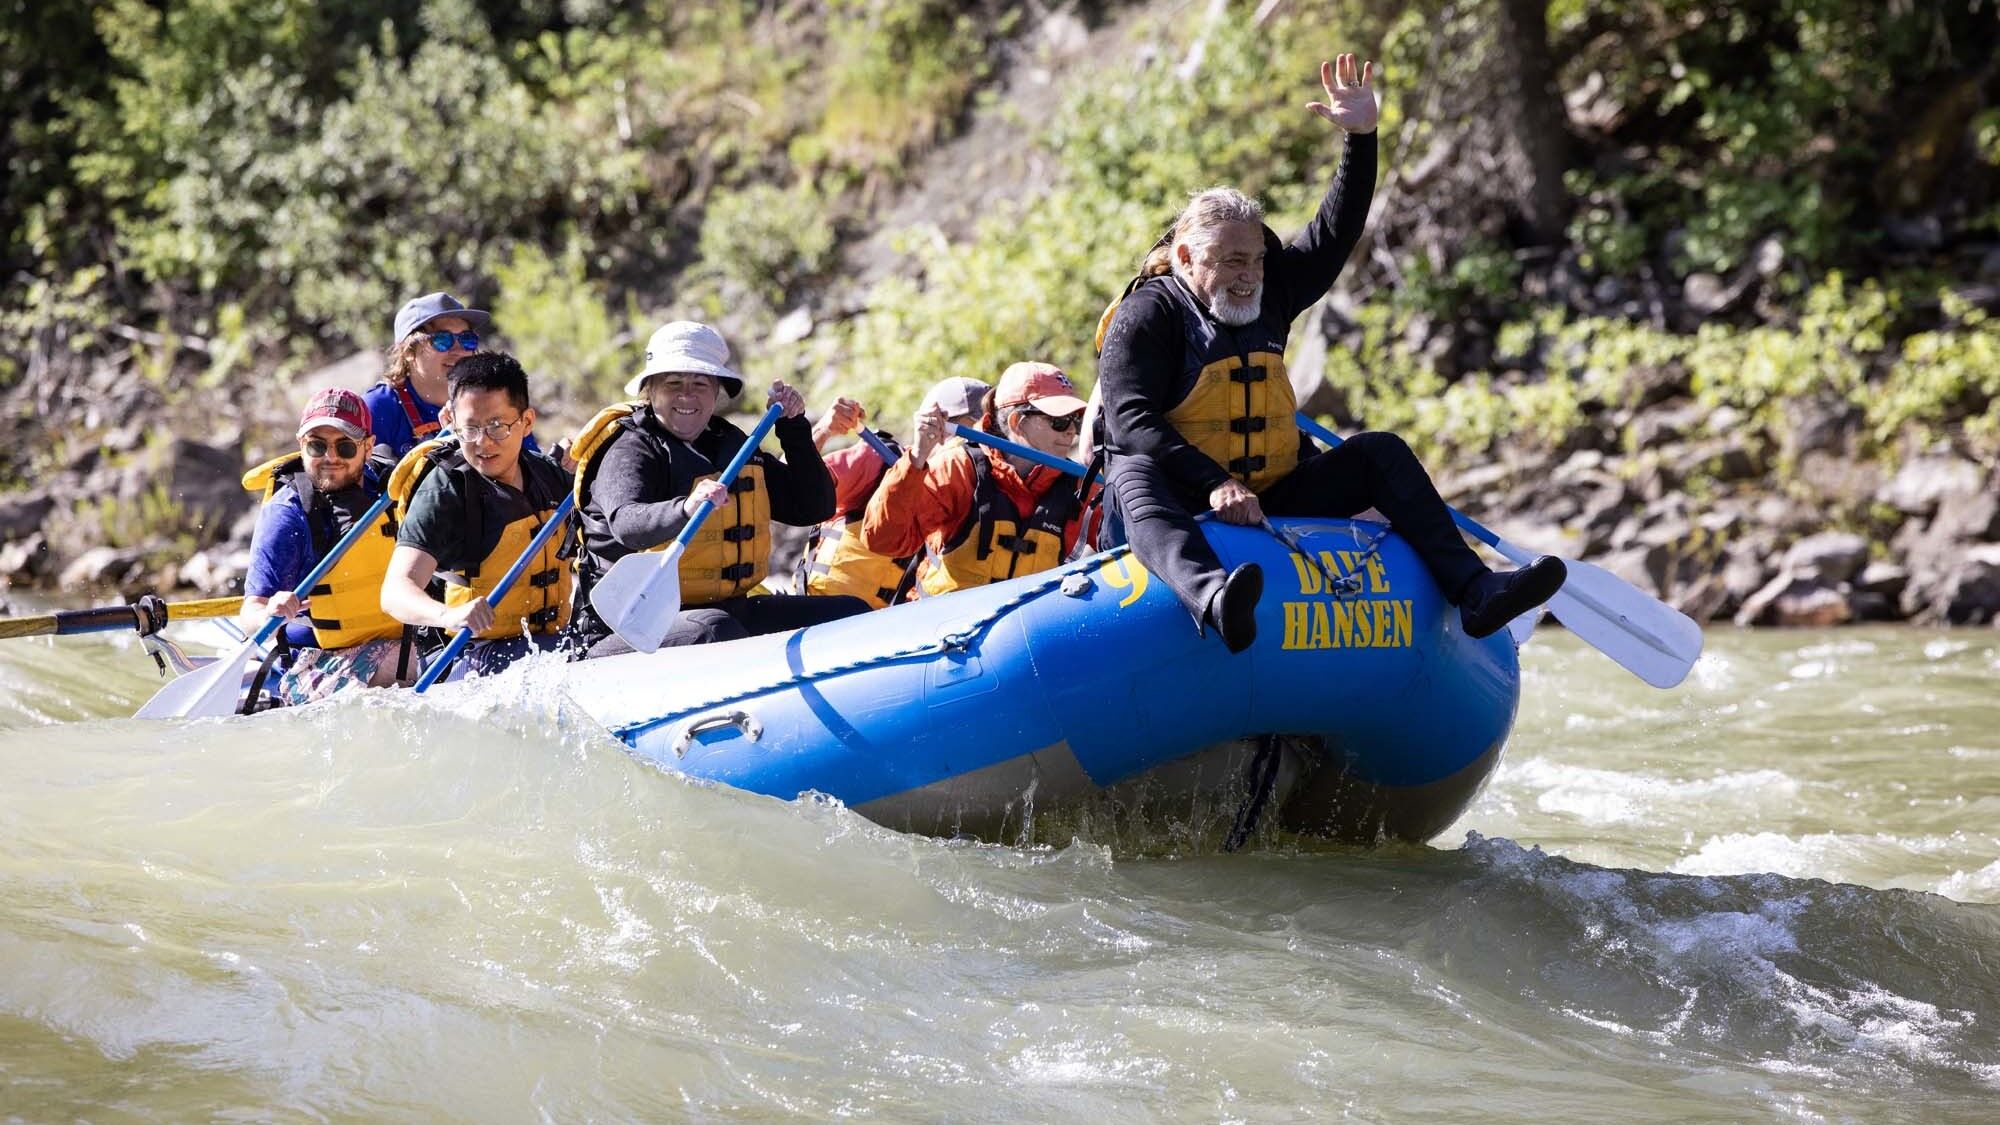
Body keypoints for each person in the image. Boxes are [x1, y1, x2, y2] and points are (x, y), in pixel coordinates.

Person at [1094, 52, 1565, 653]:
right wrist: (1214, 484)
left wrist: (1361, 139)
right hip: (1180, 494)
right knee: (1133, 474)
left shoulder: (1269, 291)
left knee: (1379, 454)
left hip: (1267, 486)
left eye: (1257, 259)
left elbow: (1334, 233)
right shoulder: (1149, 313)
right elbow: (1131, 423)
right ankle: (1214, 598)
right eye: (1232, 261)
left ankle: (1475, 591)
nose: (1249, 275)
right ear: (1187, 258)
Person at [570, 321, 869, 653]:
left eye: (700, 383)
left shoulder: (728, 443)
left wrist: (794, 428)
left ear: (716, 393)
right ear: (650, 390)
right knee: (715, 630)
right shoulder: (630, 449)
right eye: (673, 383)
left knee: (849, 613)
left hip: (725, 610)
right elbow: (628, 524)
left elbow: (812, 507)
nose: (687, 394)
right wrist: (685, 507)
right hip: (627, 628)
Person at [379, 352, 574, 677]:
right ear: (452, 423)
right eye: (470, 428)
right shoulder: (445, 491)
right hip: (470, 657)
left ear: (526, 422)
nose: (482, 442)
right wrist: (448, 616)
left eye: (497, 426)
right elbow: (395, 591)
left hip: (553, 641)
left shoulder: (550, 477)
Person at [239, 387, 411, 704]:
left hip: (406, 642)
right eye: (317, 446)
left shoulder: (393, 489)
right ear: (302, 445)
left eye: (345, 447)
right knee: (411, 661)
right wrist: (270, 613)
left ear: (368, 446)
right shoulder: (288, 514)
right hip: (315, 662)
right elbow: (251, 613)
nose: (330, 458)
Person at [859, 363, 1087, 598]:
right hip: (945, 625)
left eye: (1075, 420)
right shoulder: (957, 467)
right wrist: (917, 457)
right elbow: (883, 540)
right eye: (1059, 421)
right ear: (1017, 422)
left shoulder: (1079, 484)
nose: (1071, 431)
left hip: (1022, 627)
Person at [801, 377, 992, 607]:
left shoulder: (970, 486)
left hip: (887, 627)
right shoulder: (874, 460)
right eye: (977, 431)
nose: (984, 447)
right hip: (820, 608)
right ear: (937, 424)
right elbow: (792, 489)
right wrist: (823, 431)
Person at [363, 291, 545, 460]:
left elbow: (530, 470)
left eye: (467, 339)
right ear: (408, 351)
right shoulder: (376, 409)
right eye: (442, 340)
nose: (458, 350)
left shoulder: (493, 399)